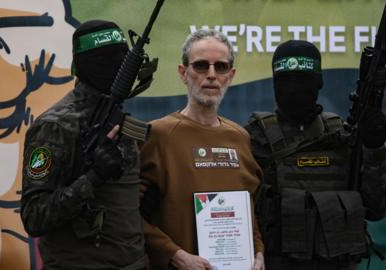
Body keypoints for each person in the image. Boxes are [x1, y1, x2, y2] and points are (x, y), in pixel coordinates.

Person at [245, 40, 386, 270]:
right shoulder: (255, 138)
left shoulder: (341, 135)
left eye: (303, 80)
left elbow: (376, 209)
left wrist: (375, 149)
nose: (294, 89)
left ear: (319, 82)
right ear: (274, 84)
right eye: (286, 81)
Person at [20, 20, 147, 269]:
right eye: (105, 59)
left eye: (123, 58)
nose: (117, 65)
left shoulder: (119, 117)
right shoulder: (54, 126)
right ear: (84, 64)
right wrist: (92, 177)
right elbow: (34, 216)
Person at [139, 29, 264, 270]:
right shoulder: (157, 134)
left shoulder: (240, 138)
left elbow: (251, 210)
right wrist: (173, 254)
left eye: (221, 67)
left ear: (232, 75)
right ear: (183, 73)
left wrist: (257, 251)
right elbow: (126, 214)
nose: (211, 75)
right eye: (200, 66)